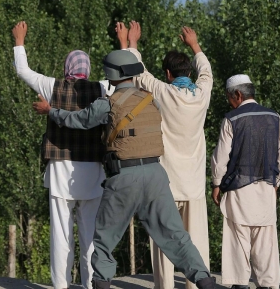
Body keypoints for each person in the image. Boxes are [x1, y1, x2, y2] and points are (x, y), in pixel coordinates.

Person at [33, 48, 216, 289]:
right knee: (176, 237)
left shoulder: (107, 104)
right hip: (156, 176)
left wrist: (51, 111)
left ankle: (101, 284)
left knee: (104, 241)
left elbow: (79, 120)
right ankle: (205, 281)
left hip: (124, 177)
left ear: (111, 74)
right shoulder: (152, 100)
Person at [12, 21, 111, 289]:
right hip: (92, 172)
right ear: (87, 69)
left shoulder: (51, 87)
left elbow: (22, 70)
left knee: (60, 235)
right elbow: (128, 77)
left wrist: (19, 41)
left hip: (59, 171)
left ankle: (60, 286)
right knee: (90, 235)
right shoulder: (102, 89)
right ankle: (91, 285)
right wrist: (126, 45)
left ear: (67, 68)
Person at [117, 21, 213, 289]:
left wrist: (132, 42)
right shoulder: (202, 95)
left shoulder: (164, 93)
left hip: (167, 182)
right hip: (193, 182)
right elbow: (206, 71)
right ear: (187, 72)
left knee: (164, 243)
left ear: (169, 74)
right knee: (196, 243)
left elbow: (140, 75)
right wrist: (194, 45)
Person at [211, 74, 280, 289]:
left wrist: (216, 184)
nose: (229, 102)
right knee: (265, 244)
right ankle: (268, 284)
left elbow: (221, 157)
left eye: (229, 97)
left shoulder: (232, 119)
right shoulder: (274, 117)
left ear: (237, 94)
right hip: (266, 189)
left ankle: (240, 284)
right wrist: (276, 183)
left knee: (238, 242)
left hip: (238, 190)